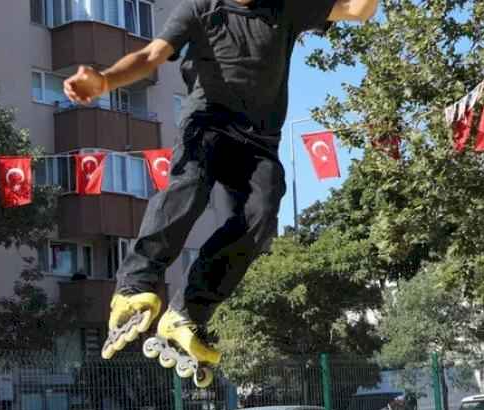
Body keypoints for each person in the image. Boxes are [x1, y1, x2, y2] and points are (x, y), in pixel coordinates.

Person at [68, 0, 380, 388]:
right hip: (208, 123)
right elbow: (151, 54)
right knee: (190, 185)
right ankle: (134, 286)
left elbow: (357, 10)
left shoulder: (285, 8)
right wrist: (106, 82)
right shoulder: (200, 9)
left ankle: (187, 313)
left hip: (259, 142)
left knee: (262, 213)